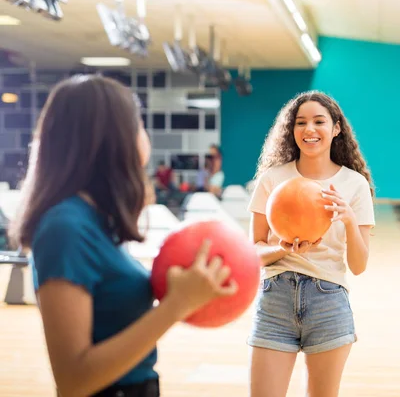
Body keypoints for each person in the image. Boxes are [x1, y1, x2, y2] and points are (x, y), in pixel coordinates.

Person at [8, 75, 237, 397]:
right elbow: (74, 380)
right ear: (113, 137)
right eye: (138, 124)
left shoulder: (93, 218)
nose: (145, 135)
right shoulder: (65, 227)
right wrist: (175, 306)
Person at [247, 91, 375, 397]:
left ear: (336, 128)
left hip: (328, 299)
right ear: (291, 131)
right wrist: (283, 249)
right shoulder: (272, 179)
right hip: (275, 298)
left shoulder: (354, 184)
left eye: (319, 121)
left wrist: (346, 219)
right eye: (301, 122)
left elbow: (358, 266)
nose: (309, 129)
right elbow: (253, 252)